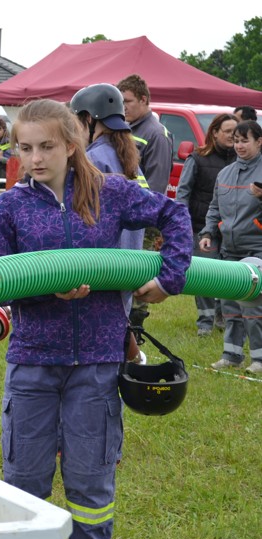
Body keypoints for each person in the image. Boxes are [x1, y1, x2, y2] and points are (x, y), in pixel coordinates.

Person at [0, 98, 192, 539]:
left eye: (46, 147)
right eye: (25, 148)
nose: (35, 159)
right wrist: (45, 293)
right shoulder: (11, 207)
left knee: (91, 481)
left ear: (72, 142)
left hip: (97, 363)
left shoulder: (109, 192)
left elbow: (173, 215)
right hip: (34, 361)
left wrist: (170, 277)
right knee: (24, 482)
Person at [71, 83, 151, 319]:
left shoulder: (92, 158)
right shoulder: (127, 156)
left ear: (88, 118)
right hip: (128, 266)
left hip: (101, 271)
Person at [199, 120, 262, 374]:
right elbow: (214, 208)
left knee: (253, 307)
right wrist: (208, 232)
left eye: (245, 140)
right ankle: (232, 355)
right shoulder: (224, 174)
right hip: (229, 250)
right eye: (236, 141)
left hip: (256, 249)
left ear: (259, 142)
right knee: (229, 306)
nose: (239, 146)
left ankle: (259, 360)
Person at [117, 74, 174, 329]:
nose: (123, 107)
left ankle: (135, 333)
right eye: (120, 102)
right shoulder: (124, 128)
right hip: (123, 217)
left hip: (144, 221)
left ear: (143, 99)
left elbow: (156, 187)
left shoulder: (156, 134)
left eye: (127, 101)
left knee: (139, 280)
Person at [175, 113, 237, 336]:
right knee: (205, 277)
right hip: (200, 228)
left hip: (230, 230)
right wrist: (181, 224)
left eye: (235, 132)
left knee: (228, 277)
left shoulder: (241, 162)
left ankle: (222, 319)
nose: (232, 136)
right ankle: (205, 323)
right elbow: (183, 193)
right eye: (228, 131)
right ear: (215, 132)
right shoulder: (197, 158)